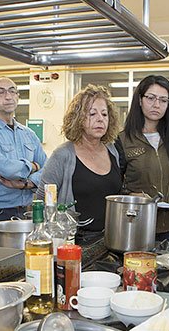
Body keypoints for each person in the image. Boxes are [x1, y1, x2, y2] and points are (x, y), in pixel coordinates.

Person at [114, 75, 169, 243]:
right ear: (140, 100)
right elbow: (114, 185)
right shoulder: (123, 139)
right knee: (138, 269)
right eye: (151, 98)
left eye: (163, 100)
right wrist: (131, 197)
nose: (156, 105)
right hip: (137, 225)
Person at [37, 84, 122, 232]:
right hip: (73, 240)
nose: (100, 119)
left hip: (109, 238)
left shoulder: (112, 150)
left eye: (104, 114)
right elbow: (42, 198)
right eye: (92, 114)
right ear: (78, 119)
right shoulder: (63, 155)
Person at [0, 77, 46, 225]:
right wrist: (33, 166)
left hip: (28, 211)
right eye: (1, 92)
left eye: (13, 91)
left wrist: (28, 183)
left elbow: (48, 168)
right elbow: (7, 170)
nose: (8, 96)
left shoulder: (28, 133)